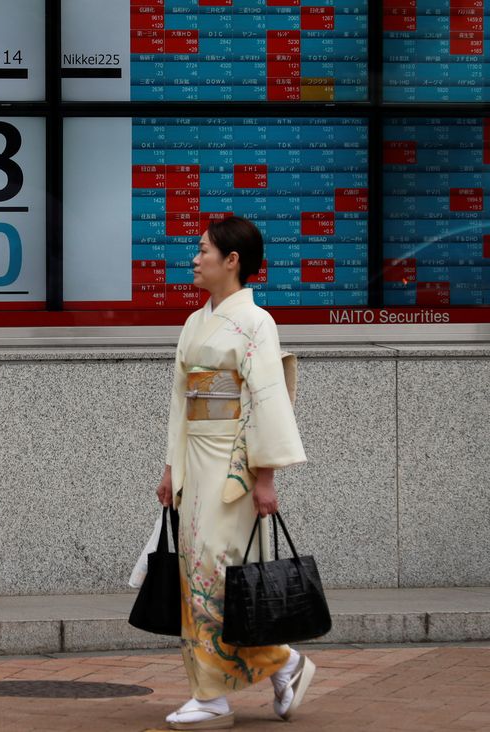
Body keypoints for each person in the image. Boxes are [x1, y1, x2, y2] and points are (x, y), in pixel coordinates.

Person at [155, 217, 313, 730]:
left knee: (218, 576)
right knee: (196, 574)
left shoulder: (256, 323)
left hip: (232, 465)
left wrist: (263, 477)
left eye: (203, 251)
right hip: (196, 462)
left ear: (232, 261)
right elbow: (181, 401)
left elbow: (266, 402)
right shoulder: (195, 322)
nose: (195, 259)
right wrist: (170, 467)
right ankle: (278, 664)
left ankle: (218, 692)